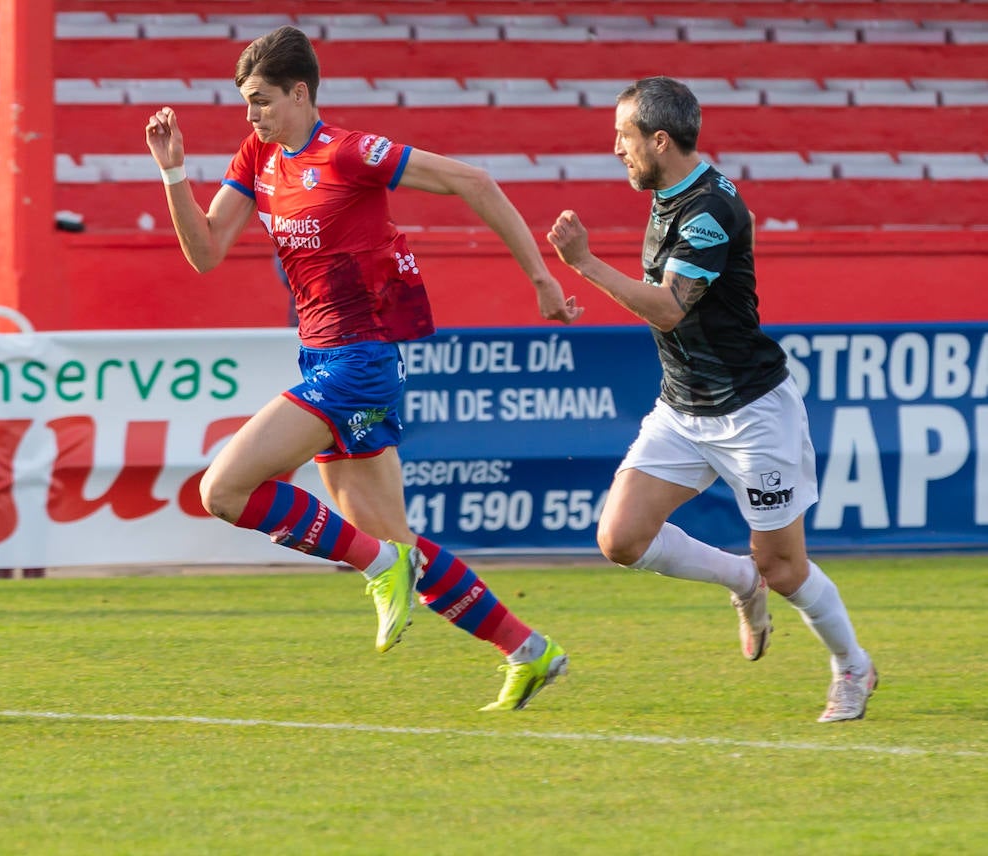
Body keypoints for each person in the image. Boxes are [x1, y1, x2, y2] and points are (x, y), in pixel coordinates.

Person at [144, 25, 582, 711]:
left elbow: (475, 182)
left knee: (224, 492)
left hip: (358, 361)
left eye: (261, 99)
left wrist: (542, 280)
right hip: (323, 353)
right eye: (245, 102)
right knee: (392, 538)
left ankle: (381, 568)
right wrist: (173, 171)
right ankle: (528, 650)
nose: (251, 114)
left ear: (299, 92)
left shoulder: (350, 153)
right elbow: (204, 251)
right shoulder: (260, 153)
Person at [546, 76, 876, 722]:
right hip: (682, 406)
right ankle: (738, 580)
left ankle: (853, 666)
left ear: (660, 140)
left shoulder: (710, 212)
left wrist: (583, 263)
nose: (616, 148)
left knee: (785, 568)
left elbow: (669, 310)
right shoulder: (670, 192)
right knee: (620, 537)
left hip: (751, 412)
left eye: (625, 136)